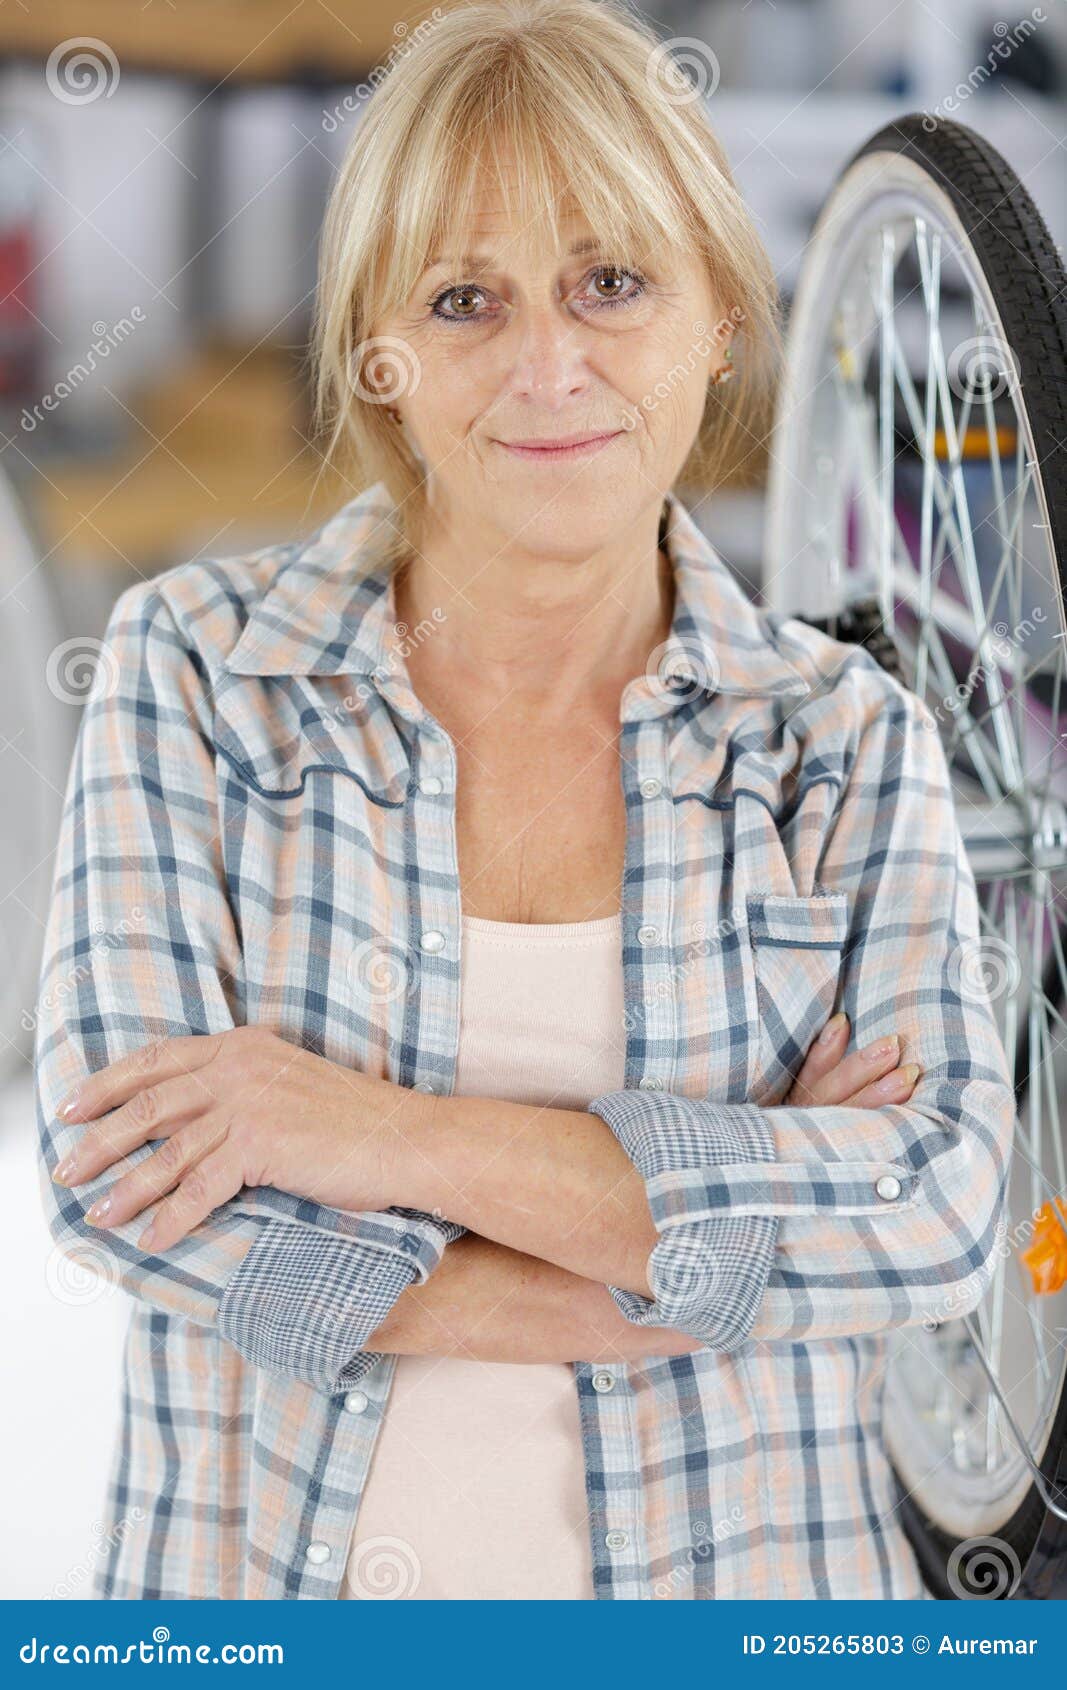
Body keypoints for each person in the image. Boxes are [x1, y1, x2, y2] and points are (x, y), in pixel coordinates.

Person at [34, 0, 1013, 1600]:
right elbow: (122, 1188)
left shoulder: (844, 738)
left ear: (717, 318)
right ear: (382, 355)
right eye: (466, 299)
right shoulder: (193, 676)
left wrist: (369, 1133)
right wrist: (707, 1240)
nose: (548, 363)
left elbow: (940, 1209)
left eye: (612, 282)